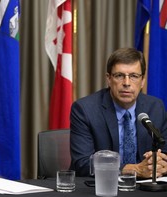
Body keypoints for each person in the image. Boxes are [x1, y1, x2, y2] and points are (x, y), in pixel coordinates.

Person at [70, 47, 167, 179]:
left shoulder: (155, 107)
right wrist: (132, 170)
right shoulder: (85, 109)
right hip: (103, 188)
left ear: (143, 80)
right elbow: (82, 163)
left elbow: (165, 151)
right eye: (119, 76)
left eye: (134, 76)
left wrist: (161, 163)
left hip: (144, 188)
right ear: (109, 79)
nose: (126, 83)